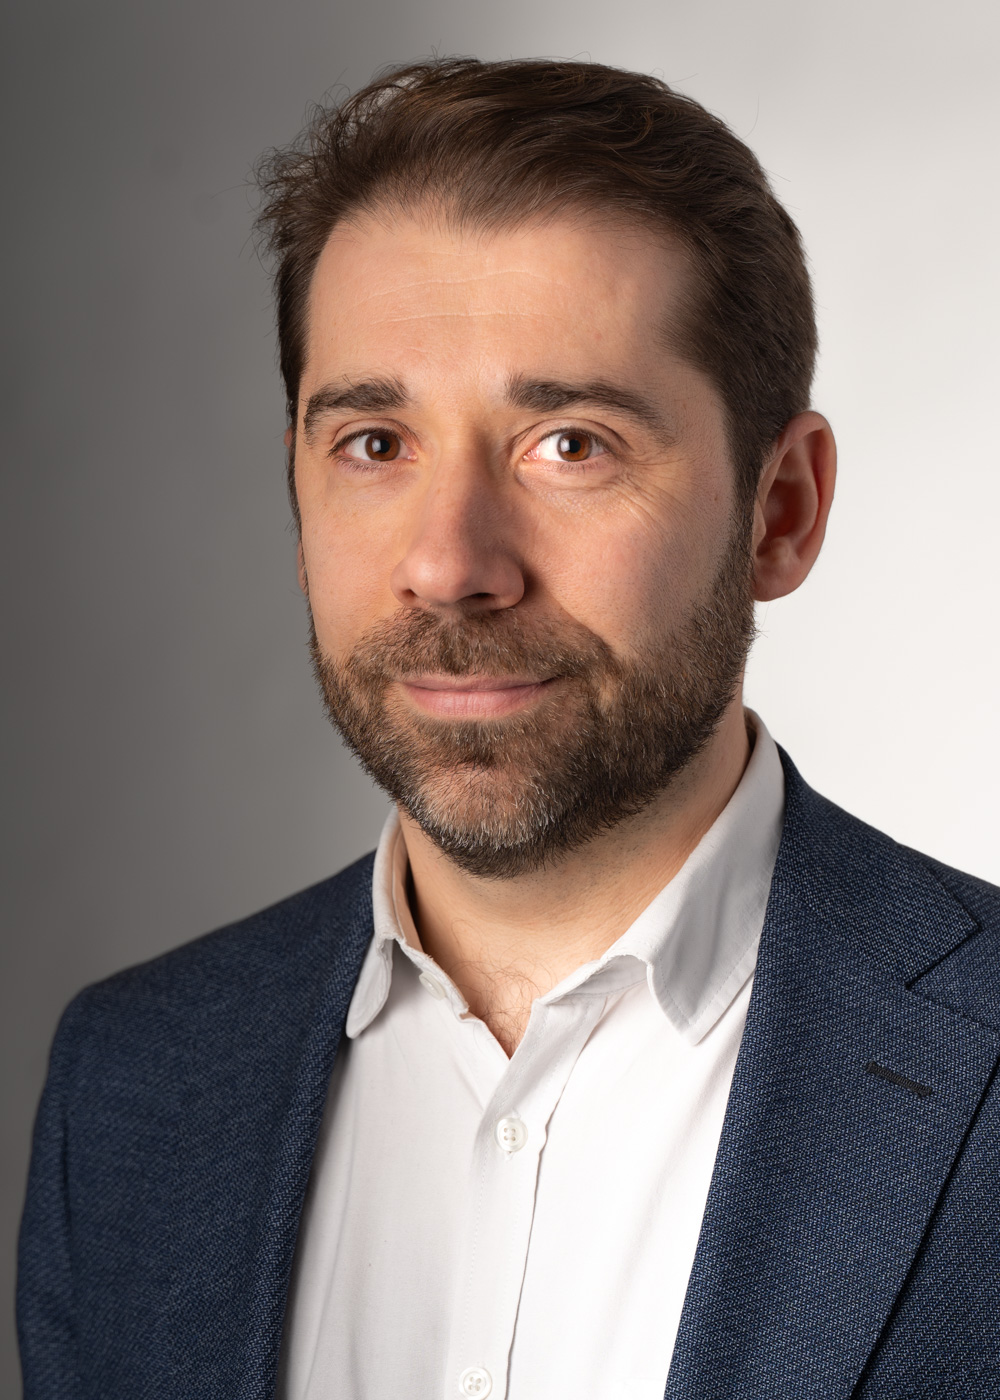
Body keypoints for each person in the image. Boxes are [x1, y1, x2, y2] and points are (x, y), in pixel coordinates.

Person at [17, 57, 1000, 1400]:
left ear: (781, 511)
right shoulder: (130, 1084)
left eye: (571, 444)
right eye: (375, 443)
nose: (450, 565)